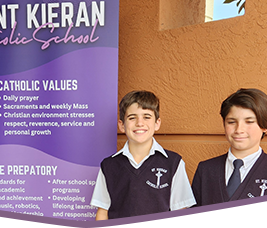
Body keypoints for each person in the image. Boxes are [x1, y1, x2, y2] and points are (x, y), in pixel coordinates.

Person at [90, 90, 196, 221]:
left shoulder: (173, 163)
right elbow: (103, 211)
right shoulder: (109, 166)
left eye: (146, 117)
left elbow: (179, 213)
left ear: (157, 123)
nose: (139, 123)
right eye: (132, 118)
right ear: (122, 125)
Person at [188, 88, 267, 222]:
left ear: (264, 126)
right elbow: (193, 217)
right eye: (231, 122)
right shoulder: (206, 169)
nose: (239, 130)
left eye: (249, 121)